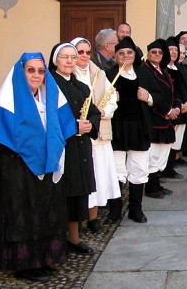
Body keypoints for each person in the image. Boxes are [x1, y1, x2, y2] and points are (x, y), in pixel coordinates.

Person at [0, 52, 76, 281]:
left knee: (46, 212)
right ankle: (25, 264)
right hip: (18, 170)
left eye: (40, 70)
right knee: (23, 215)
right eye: (30, 70)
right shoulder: (9, 98)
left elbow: (62, 127)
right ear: (21, 72)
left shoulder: (48, 97)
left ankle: (44, 258)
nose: (36, 75)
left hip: (46, 166)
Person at [49, 42, 101, 254]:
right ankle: (56, 240)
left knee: (78, 192)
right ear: (55, 60)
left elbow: (93, 111)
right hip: (62, 148)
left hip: (81, 147)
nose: (70, 61)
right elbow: (48, 117)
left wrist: (91, 125)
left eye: (73, 57)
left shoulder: (81, 86)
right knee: (62, 193)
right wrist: (73, 126)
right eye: (64, 57)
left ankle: (73, 237)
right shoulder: (49, 85)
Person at [70, 37, 120, 234]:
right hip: (77, 134)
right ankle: (77, 220)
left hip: (97, 133)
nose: (83, 56)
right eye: (79, 52)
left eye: (86, 52)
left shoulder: (98, 73)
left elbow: (112, 97)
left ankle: (93, 218)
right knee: (79, 178)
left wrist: (100, 113)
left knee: (97, 176)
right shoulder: (67, 73)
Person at [106, 36, 156, 223]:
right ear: (115, 55)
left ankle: (136, 209)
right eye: (121, 53)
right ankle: (115, 210)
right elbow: (99, 100)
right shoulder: (108, 75)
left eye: (129, 52)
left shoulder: (144, 74)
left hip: (139, 127)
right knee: (116, 169)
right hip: (117, 127)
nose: (126, 56)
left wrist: (148, 97)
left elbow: (161, 96)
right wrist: (111, 98)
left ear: (135, 55)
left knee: (138, 168)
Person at [141, 39, 182, 199]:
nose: (157, 55)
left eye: (159, 52)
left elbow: (174, 91)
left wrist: (177, 108)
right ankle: (151, 187)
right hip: (156, 119)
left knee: (162, 155)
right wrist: (167, 111)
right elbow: (152, 95)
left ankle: (157, 184)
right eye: (153, 52)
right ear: (148, 53)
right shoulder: (144, 71)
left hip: (169, 119)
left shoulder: (163, 70)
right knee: (154, 155)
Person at [161, 37, 187, 179]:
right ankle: (163, 169)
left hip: (183, 111)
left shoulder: (180, 68)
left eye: (176, 50)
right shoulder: (162, 68)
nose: (173, 52)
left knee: (176, 141)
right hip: (170, 112)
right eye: (170, 50)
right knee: (167, 142)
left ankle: (170, 168)